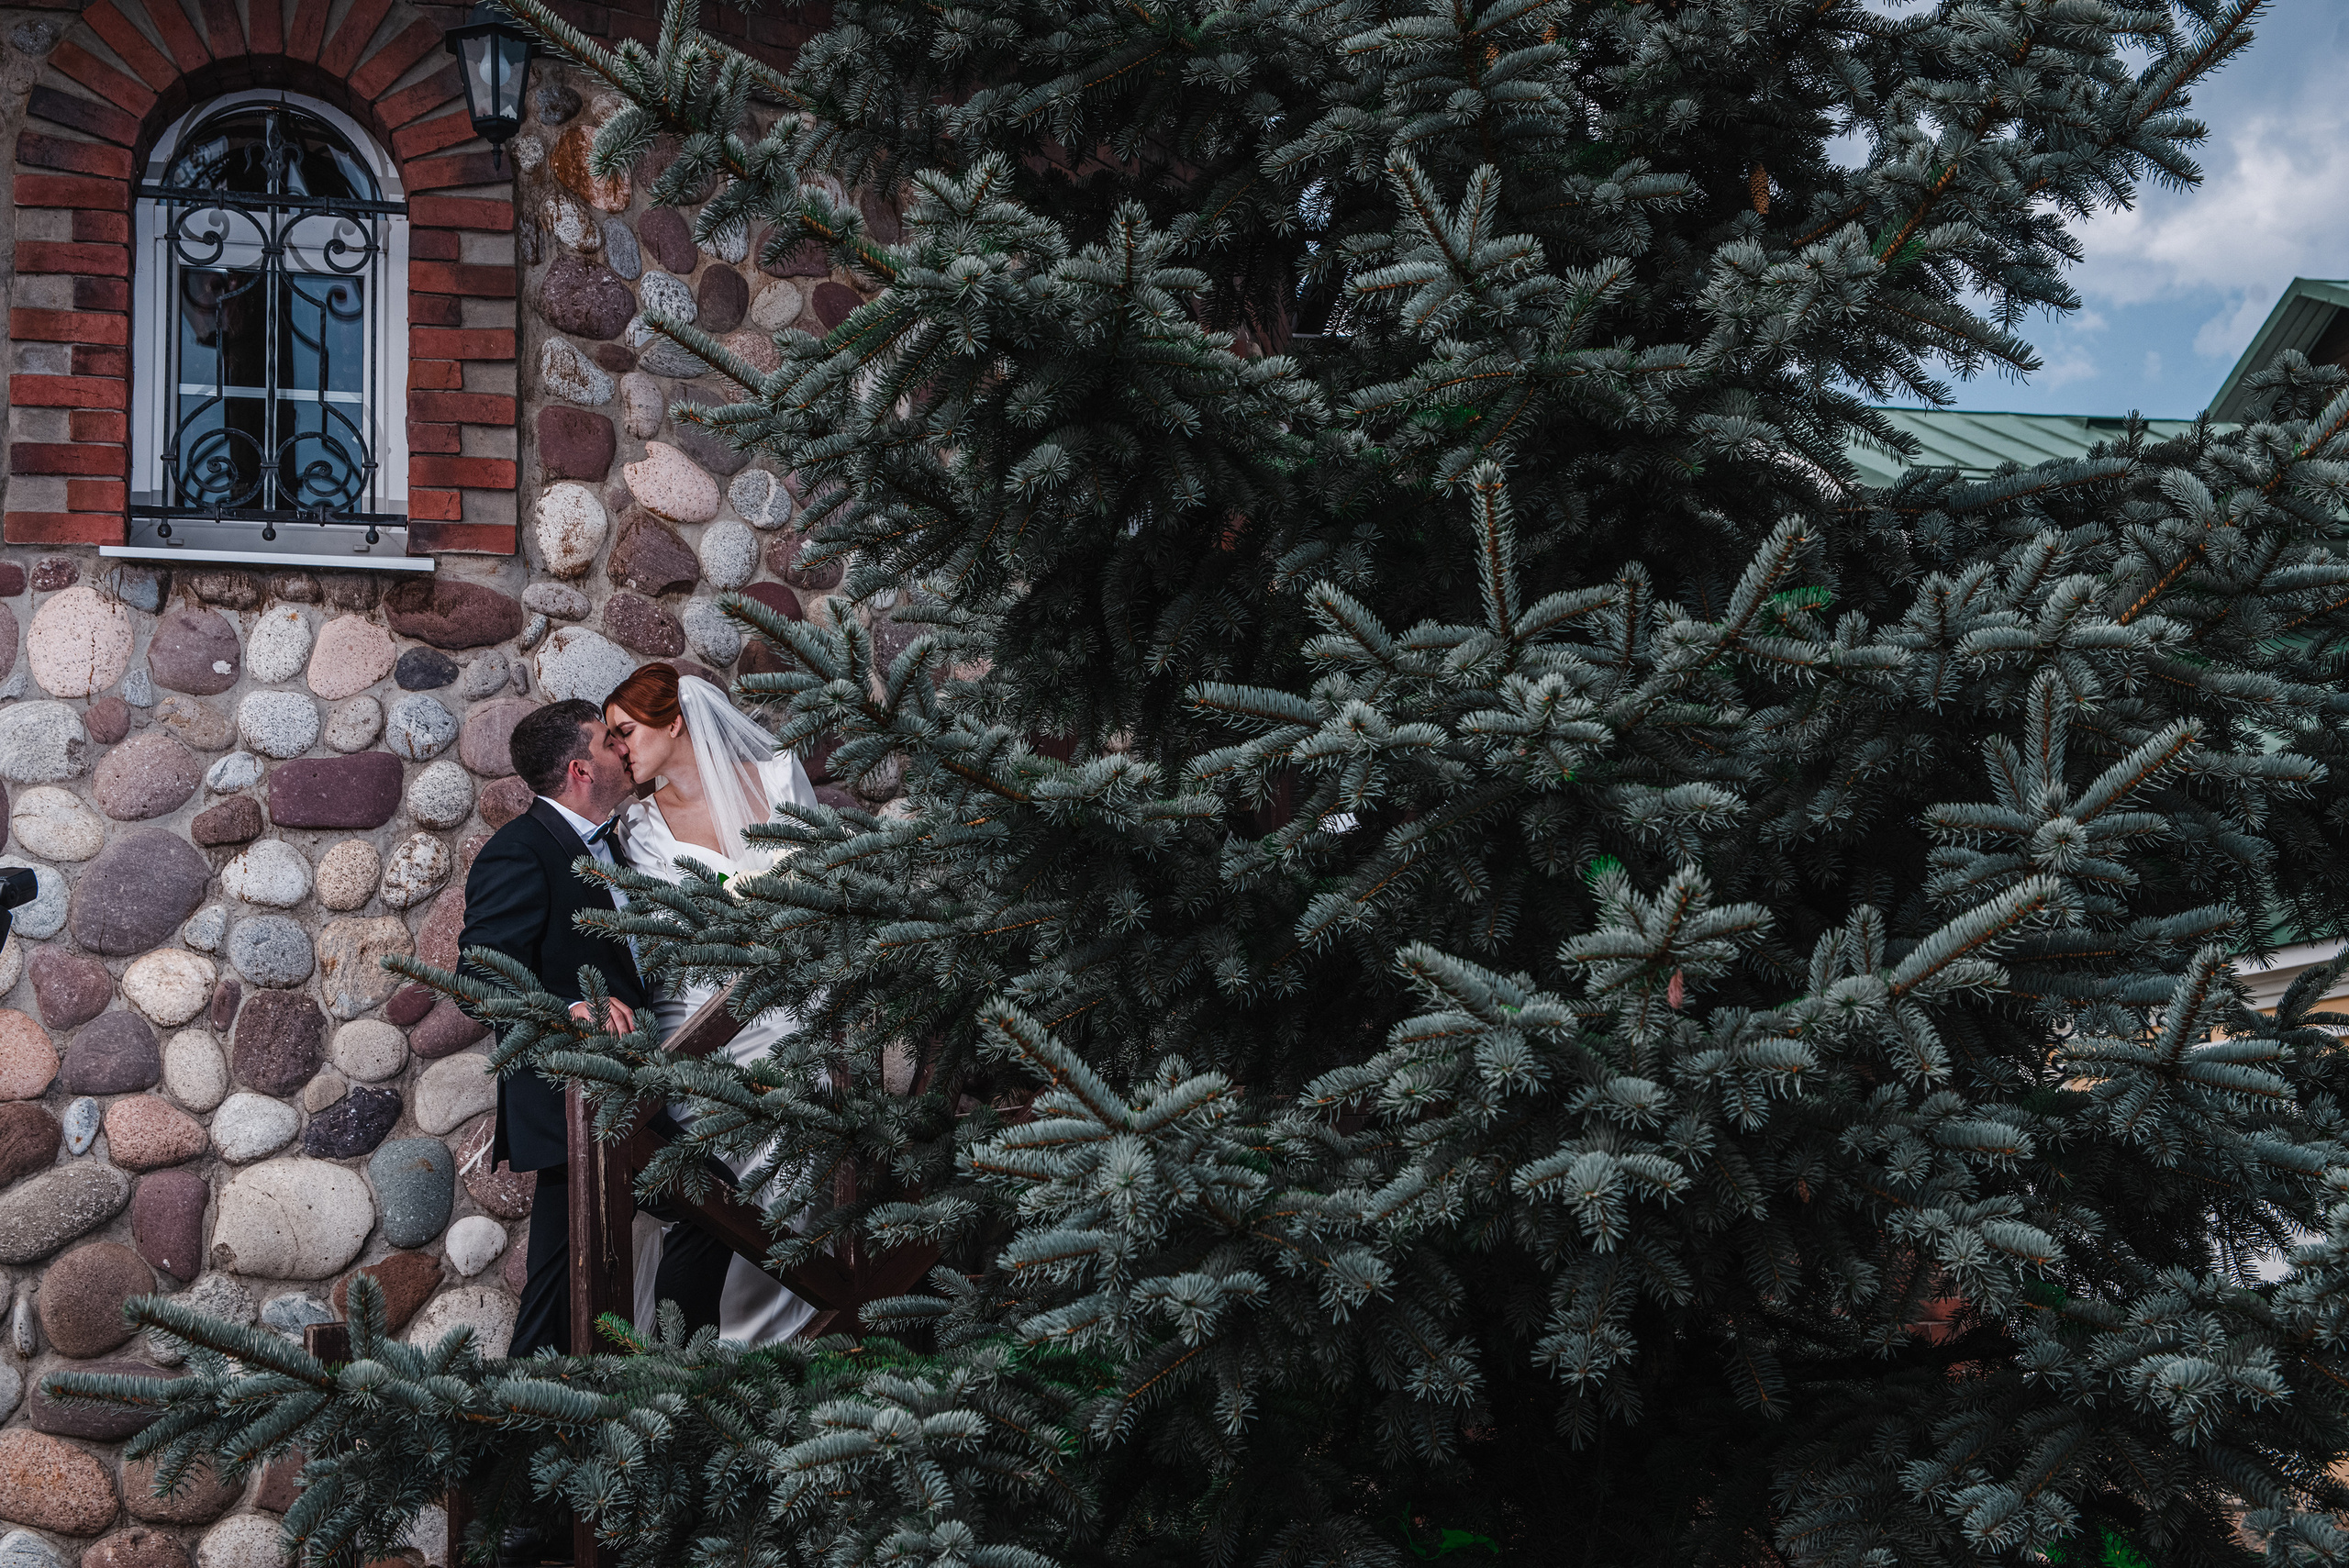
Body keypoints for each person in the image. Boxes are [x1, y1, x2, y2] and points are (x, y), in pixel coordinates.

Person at [451, 699, 730, 1362]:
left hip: (620, 1102)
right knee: (700, 1214)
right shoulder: (519, 850)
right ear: (581, 768)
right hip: (570, 1102)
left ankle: (645, 1387)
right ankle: (663, 1383)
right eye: (610, 741)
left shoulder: (613, 841)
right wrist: (567, 1009)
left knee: (692, 1220)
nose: (623, 750)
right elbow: (477, 975)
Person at [602, 662, 822, 1344]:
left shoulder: (782, 780)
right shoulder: (639, 829)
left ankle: (790, 1334)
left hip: (789, 1014)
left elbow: (819, 896)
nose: (617, 749)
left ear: (674, 720)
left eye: (626, 730)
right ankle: (700, 1350)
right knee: (717, 1187)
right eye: (609, 738)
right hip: (695, 1024)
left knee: (788, 1172)